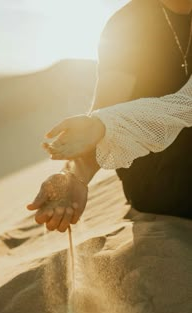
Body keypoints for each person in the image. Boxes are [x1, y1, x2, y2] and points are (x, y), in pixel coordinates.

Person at [27, 0, 192, 232]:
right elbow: (105, 110)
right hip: (156, 178)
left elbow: (186, 105)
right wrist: (74, 176)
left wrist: (103, 124)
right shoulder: (129, 24)